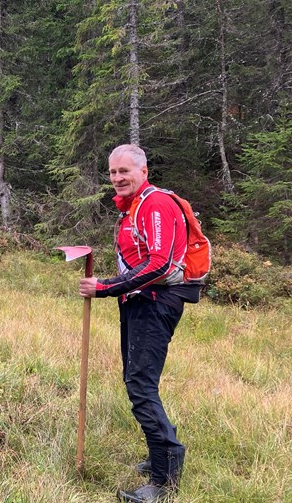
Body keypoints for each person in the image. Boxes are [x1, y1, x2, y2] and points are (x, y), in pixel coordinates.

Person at [79, 144, 199, 503]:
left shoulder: (155, 204)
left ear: (143, 172)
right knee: (138, 380)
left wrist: (104, 287)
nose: (117, 178)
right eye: (113, 172)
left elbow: (160, 263)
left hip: (155, 302)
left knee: (141, 385)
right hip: (138, 301)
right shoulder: (134, 208)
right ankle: (161, 454)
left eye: (124, 171)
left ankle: (163, 482)